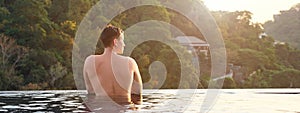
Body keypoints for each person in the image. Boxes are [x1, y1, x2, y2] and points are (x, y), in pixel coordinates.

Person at [83, 24, 143, 106]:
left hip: (101, 109)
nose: (124, 44)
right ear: (115, 42)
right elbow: (137, 93)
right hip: (125, 109)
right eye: (122, 40)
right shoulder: (130, 63)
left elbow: (91, 93)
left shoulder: (90, 62)